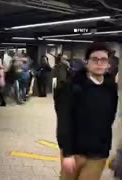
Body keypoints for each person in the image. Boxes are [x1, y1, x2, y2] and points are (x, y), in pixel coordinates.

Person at [54, 43, 118, 180]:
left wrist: (105, 146)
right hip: (74, 151)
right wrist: (67, 154)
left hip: (98, 153)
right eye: (95, 59)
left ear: (108, 64)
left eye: (104, 60)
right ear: (87, 62)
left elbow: (110, 118)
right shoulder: (71, 87)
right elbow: (64, 122)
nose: (99, 63)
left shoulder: (111, 88)